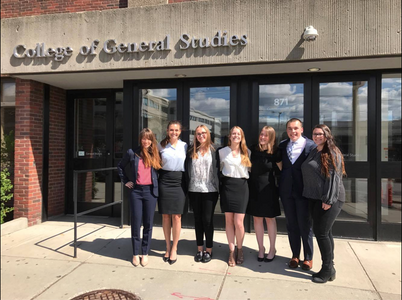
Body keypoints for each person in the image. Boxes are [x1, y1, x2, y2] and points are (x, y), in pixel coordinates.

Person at [301, 124, 346, 283]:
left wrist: (328, 199)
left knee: (321, 233)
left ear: (327, 135)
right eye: (314, 134)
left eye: (320, 134)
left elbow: (334, 178)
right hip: (315, 198)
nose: (317, 136)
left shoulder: (332, 152)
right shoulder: (315, 151)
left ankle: (327, 269)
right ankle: (330, 268)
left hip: (330, 198)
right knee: (325, 232)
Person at [117, 128, 161, 267]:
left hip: (150, 192)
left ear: (152, 140)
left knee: (148, 224)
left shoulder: (155, 154)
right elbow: (120, 167)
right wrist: (126, 181)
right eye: (144, 138)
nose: (146, 141)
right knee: (136, 223)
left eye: (149, 139)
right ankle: (135, 253)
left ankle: (145, 253)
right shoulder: (132, 153)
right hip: (136, 191)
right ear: (140, 139)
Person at [278, 118, 316, 270]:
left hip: (304, 193)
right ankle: (295, 255)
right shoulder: (282, 145)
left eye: (295, 128)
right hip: (287, 192)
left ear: (301, 129)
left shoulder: (311, 146)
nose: (292, 131)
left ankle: (308, 257)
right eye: (289, 128)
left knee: (305, 225)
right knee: (291, 224)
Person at [185, 125, 219, 263]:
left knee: (208, 220)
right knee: (198, 220)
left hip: (210, 190)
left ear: (208, 134)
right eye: (198, 133)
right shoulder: (191, 150)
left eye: (203, 133)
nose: (201, 136)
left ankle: (209, 249)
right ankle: (199, 249)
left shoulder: (215, 150)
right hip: (194, 190)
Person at [247, 126, 281, 262]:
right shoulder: (253, 149)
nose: (262, 137)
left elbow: (281, 171)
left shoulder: (277, 152)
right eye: (261, 134)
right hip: (254, 188)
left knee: (270, 219)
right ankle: (261, 248)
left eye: (265, 135)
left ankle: (272, 248)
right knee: (257, 219)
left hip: (269, 189)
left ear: (271, 137)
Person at [218, 126, 251, 267]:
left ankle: (240, 249)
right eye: (233, 134)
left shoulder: (247, 152)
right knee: (229, 221)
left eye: (238, 134)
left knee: (239, 222)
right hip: (227, 186)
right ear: (229, 136)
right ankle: (231, 250)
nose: (236, 136)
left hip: (242, 187)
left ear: (241, 136)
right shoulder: (221, 152)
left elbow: (249, 170)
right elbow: (218, 169)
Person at [158, 121, 187, 265]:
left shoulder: (185, 146)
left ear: (180, 131)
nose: (173, 132)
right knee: (165, 216)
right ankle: (167, 247)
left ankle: (175, 248)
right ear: (167, 131)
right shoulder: (161, 146)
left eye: (176, 130)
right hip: (164, 180)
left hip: (179, 181)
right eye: (171, 130)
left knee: (176, 216)